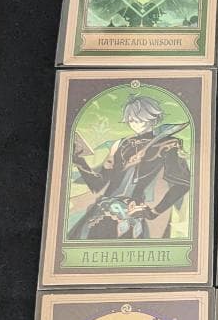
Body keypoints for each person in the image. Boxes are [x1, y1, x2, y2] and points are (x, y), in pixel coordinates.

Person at [69, 94, 190, 242]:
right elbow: (97, 185)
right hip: (101, 211)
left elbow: (183, 183)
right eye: (131, 119)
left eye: (140, 118)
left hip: (132, 213)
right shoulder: (120, 145)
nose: (135, 123)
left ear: (153, 116)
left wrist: (153, 212)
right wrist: (78, 160)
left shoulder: (167, 145)